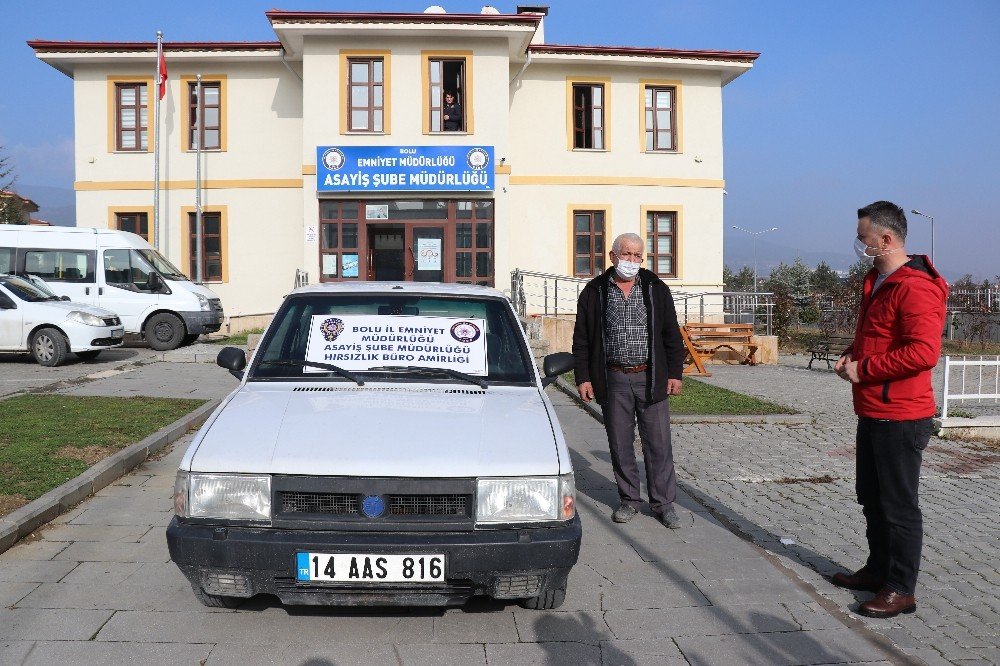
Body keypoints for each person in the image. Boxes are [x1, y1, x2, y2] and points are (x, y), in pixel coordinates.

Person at [831, 201, 948, 618]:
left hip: (902, 414)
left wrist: (867, 370)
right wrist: (851, 355)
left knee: (898, 505)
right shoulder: (878, 281)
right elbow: (875, 337)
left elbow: (923, 352)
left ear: (885, 239)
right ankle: (878, 569)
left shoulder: (915, 286)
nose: (859, 245)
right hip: (873, 411)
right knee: (872, 497)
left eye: (863, 239)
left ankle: (901, 588)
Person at [572, 232, 686, 529]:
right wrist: (583, 377)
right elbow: (581, 339)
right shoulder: (595, 291)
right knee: (620, 443)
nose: (632, 261)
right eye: (627, 254)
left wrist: (675, 372)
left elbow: (671, 335)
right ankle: (629, 500)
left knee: (658, 444)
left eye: (638, 256)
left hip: (651, 377)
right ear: (613, 256)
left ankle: (663, 504)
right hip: (613, 379)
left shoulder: (655, 288)